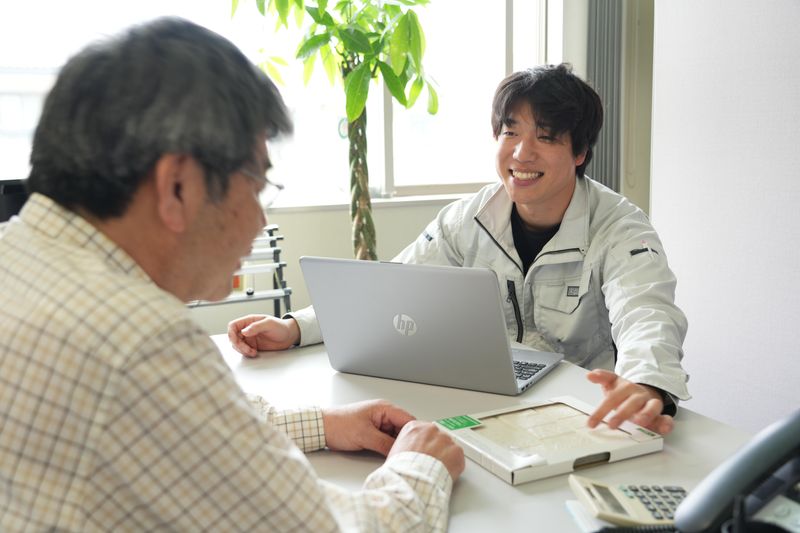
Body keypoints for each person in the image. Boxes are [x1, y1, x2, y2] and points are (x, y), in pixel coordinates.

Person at [0, 17, 463, 531]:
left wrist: (322, 423)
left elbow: (179, 431)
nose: (261, 220)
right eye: (257, 185)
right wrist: (419, 465)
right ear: (178, 186)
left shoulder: (19, 256)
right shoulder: (137, 339)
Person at [229, 64, 691, 436]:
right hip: (490, 404)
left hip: (586, 414)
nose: (521, 153)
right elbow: (393, 289)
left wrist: (644, 383)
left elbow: (646, 312)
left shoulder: (620, 227)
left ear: (580, 153)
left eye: (546, 137)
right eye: (510, 133)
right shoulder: (465, 218)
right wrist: (295, 327)